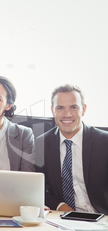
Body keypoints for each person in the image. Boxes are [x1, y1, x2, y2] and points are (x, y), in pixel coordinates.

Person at [35, 84, 108, 213]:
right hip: (63, 217)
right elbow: (36, 188)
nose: (67, 114)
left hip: (102, 217)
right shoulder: (41, 143)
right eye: (60, 108)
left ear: (83, 109)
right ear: (53, 110)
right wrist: (62, 207)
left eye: (73, 107)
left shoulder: (104, 142)